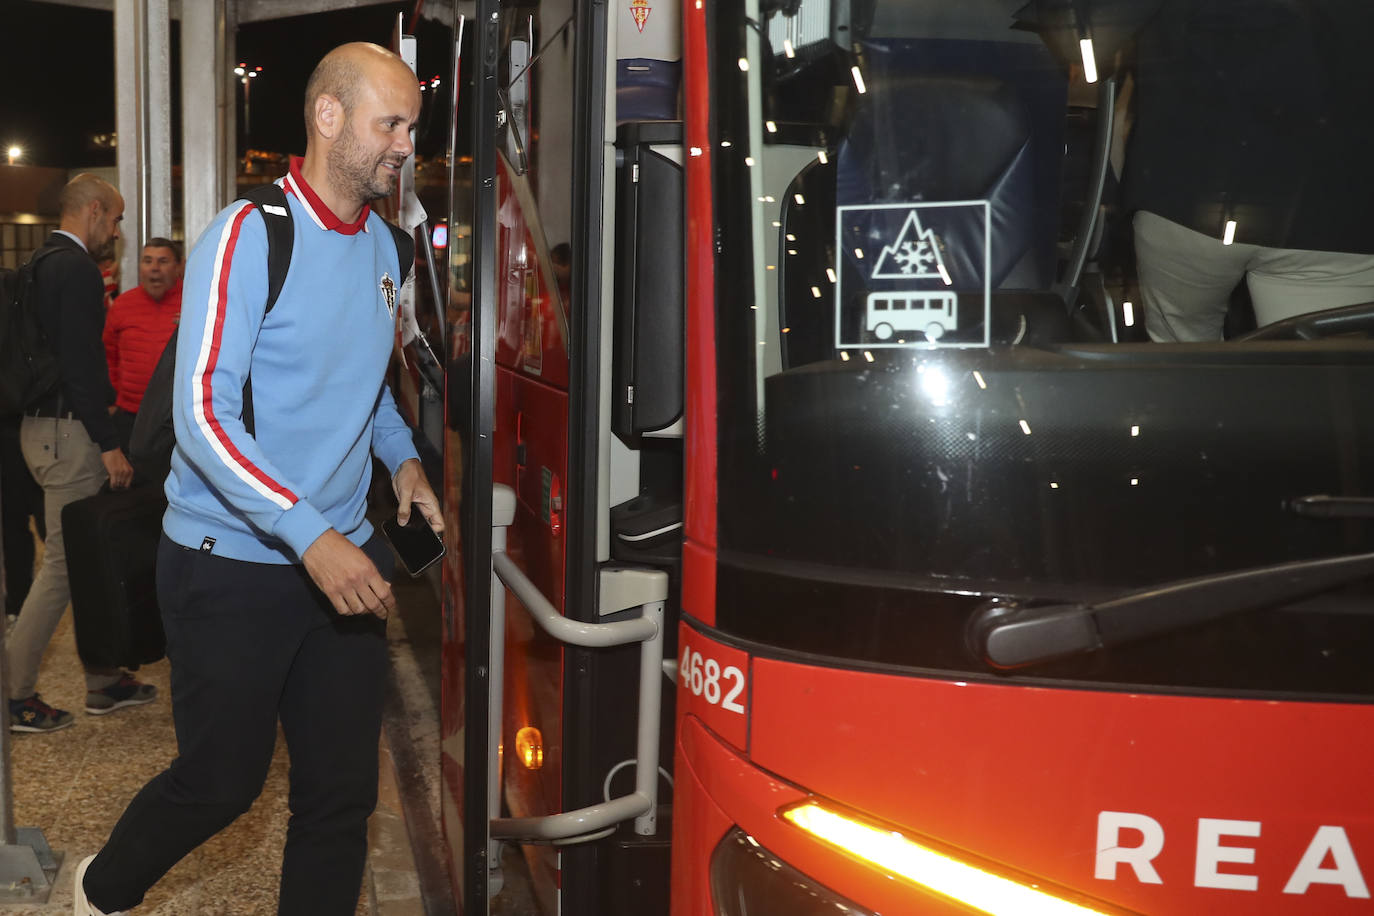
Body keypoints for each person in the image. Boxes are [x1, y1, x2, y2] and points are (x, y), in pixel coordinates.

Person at [75, 42, 441, 916]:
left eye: (412, 128)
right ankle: (99, 890)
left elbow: (374, 393)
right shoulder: (250, 234)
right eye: (390, 124)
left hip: (343, 564)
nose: (404, 146)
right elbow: (203, 415)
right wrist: (311, 536)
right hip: (230, 563)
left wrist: (407, 462)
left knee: (339, 800)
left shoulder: (385, 248)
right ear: (328, 117)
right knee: (220, 784)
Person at [1106, 0, 1374, 341]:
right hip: (1338, 204)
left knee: (1184, 364)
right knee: (1319, 378)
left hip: (1191, 190)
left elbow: (1088, 26)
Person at [7, 174, 149, 735]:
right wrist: (108, 442)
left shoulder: (40, 263)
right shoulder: (76, 271)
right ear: (92, 211)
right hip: (69, 433)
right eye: (114, 219)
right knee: (65, 566)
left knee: (86, 557)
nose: (116, 231)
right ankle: (13, 695)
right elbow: (83, 365)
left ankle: (104, 678)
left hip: (42, 429)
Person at [103, 238, 183, 454]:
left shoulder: (194, 303)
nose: (154, 268)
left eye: (163, 261)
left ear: (179, 267)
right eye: (148, 261)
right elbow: (108, 357)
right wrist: (111, 402)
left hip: (175, 420)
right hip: (129, 417)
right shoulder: (122, 305)